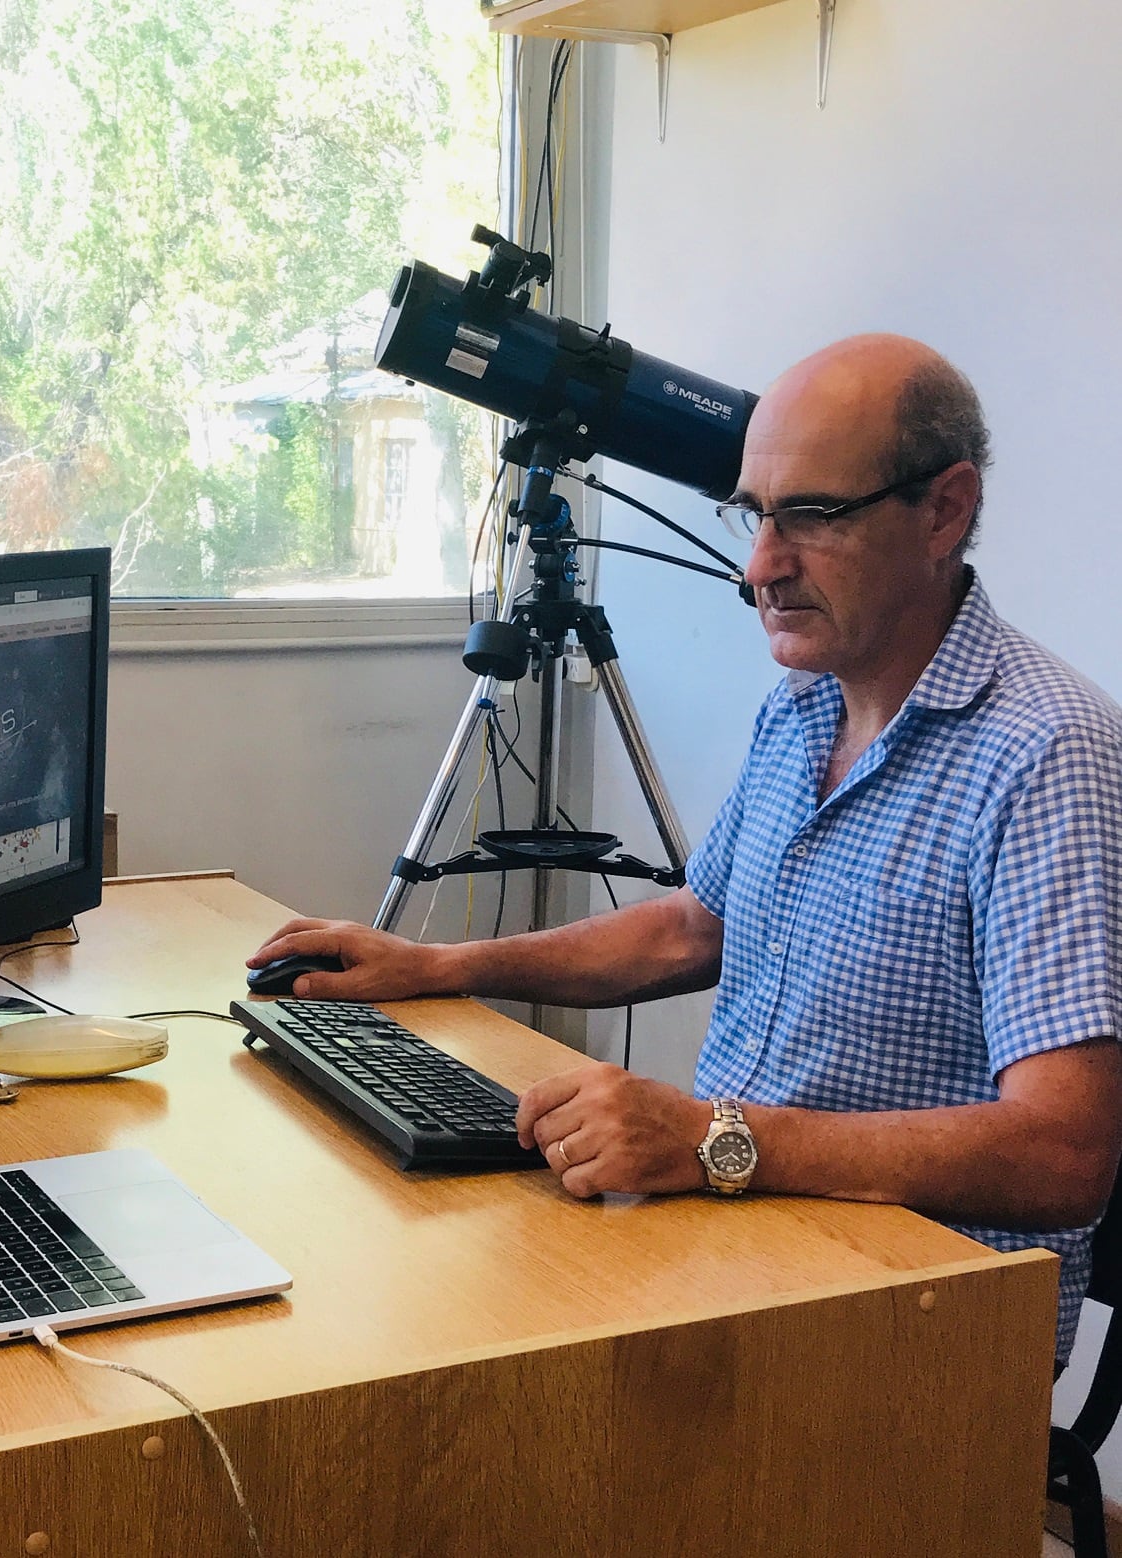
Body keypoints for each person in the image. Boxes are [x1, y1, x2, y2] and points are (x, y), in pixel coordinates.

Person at [247, 333, 1122, 1368]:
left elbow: (1066, 1152)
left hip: (909, 1317)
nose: (761, 566)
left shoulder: (1047, 753)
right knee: (410, 1302)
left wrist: (713, 1141)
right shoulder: (804, 703)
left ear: (944, 510)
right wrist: (437, 968)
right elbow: (691, 927)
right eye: (755, 515)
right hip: (740, 1227)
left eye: (812, 516)